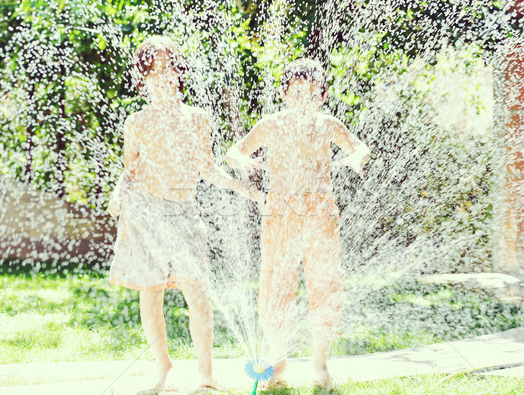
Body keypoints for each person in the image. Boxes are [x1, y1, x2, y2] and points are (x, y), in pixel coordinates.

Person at [107, 35, 263, 392]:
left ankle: (206, 374)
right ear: (142, 80)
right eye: (153, 72)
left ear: (180, 74)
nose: (162, 77)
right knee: (151, 293)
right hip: (145, 213)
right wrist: (119, 193)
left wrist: (245, 189)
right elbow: (130, 169)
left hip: (183, 212)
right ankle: (163, 365)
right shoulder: (137, 122)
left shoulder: (197, 118)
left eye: (169, 70)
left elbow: (207, 168)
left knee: (198, 294)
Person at [225, 58, 370, 389]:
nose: (302, 100)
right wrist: (241, 159)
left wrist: (357, 156)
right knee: (277, 288)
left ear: (322, 96)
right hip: (280, 214)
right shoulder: (271, 125)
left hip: (320, 214)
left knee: (324, 285)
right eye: (296, 93)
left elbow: (359, 145)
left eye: (311, 93)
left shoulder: (327, 124)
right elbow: (234, 151)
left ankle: (320, 364)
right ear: (284, 94)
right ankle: (278, 365)